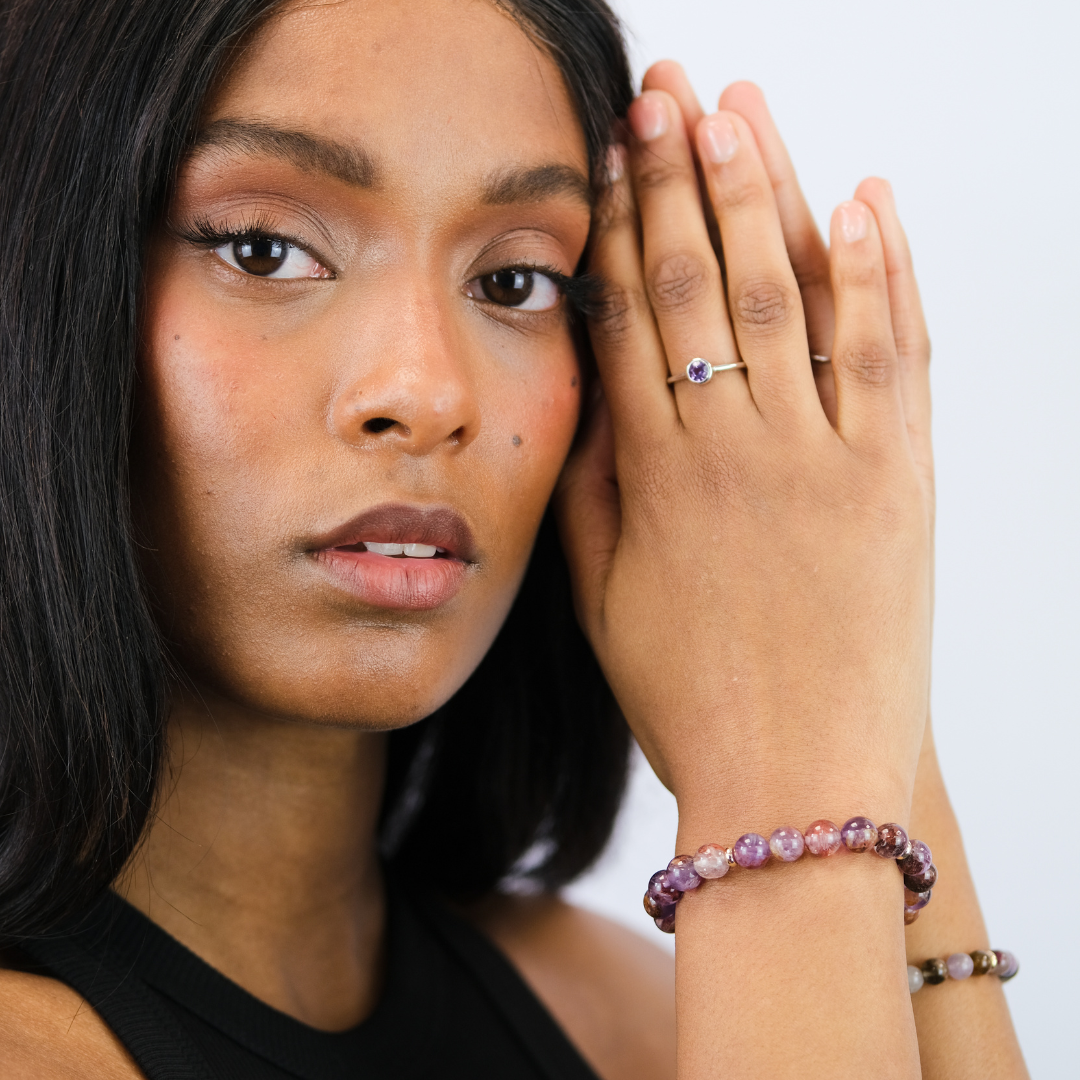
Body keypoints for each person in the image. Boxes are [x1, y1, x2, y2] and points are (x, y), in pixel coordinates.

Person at [0, 0, 1029, 1077]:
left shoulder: (637, 1019)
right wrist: (776, 800)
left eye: (514, 282)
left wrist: (849, 655)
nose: (429, 392)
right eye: (265, 250)